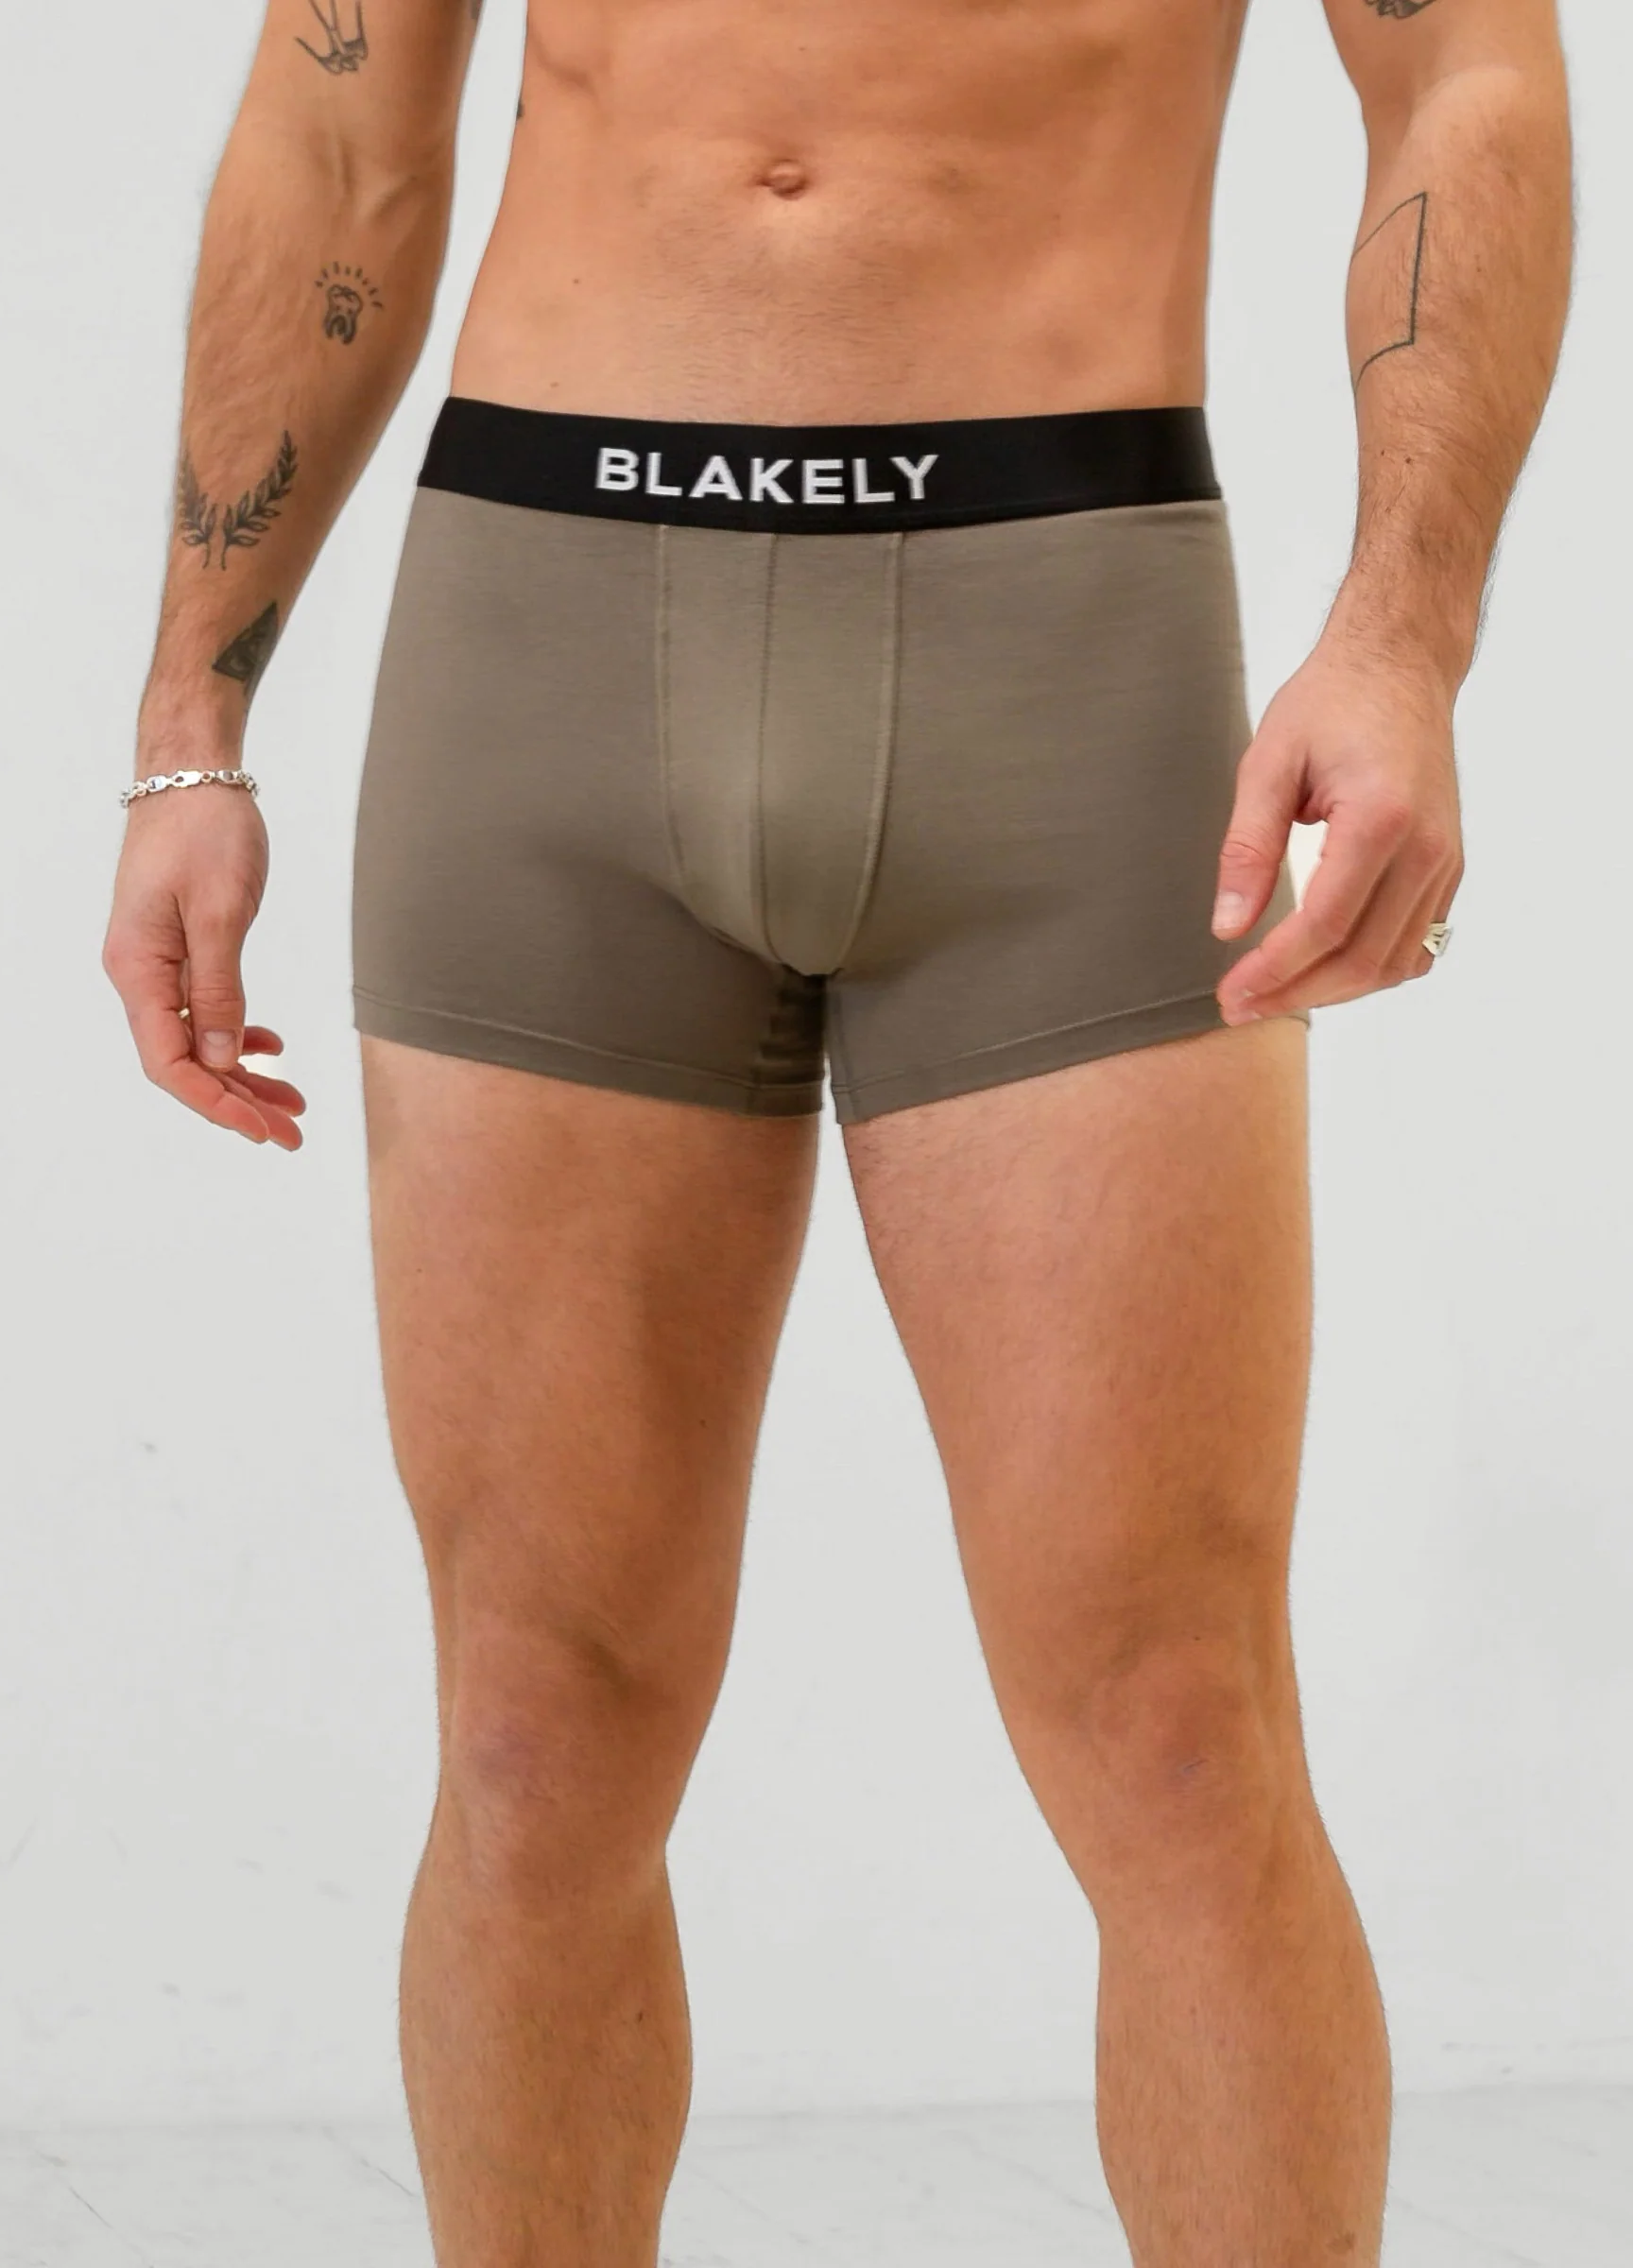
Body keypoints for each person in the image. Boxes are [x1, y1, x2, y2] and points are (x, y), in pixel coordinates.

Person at [103, 0, 1572, 2259]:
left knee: (1179, 1731)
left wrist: (1406, 634)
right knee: (532, 1742)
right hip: (547, 645)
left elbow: (1467, 68)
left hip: (1058, 638)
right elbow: (339, 119)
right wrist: (190, 723)